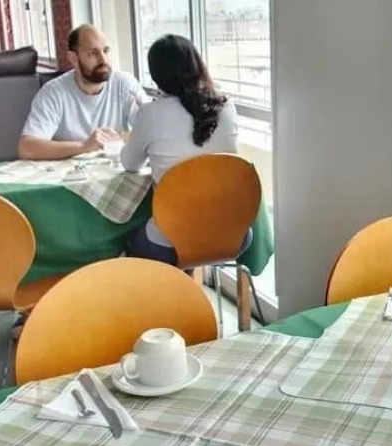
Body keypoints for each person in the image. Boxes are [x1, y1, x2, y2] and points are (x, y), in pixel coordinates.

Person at [121, 34, 248, 266]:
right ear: (198, 65)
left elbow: (129, 164)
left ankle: (169, 287)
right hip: (234, 234)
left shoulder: (150, 114)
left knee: (124, 237)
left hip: (171, 242)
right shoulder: (227, 107)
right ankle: (186, 283)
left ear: (156, 76)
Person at [18, 24, 148, 160]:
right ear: (73, 58)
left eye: (106, 51)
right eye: (93, 53)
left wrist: (123, 137)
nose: (103, 60)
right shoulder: (53, 93)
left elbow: (152, 130)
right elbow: (27, 148)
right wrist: (84, 146)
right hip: (70, 171)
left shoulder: (124, 84)